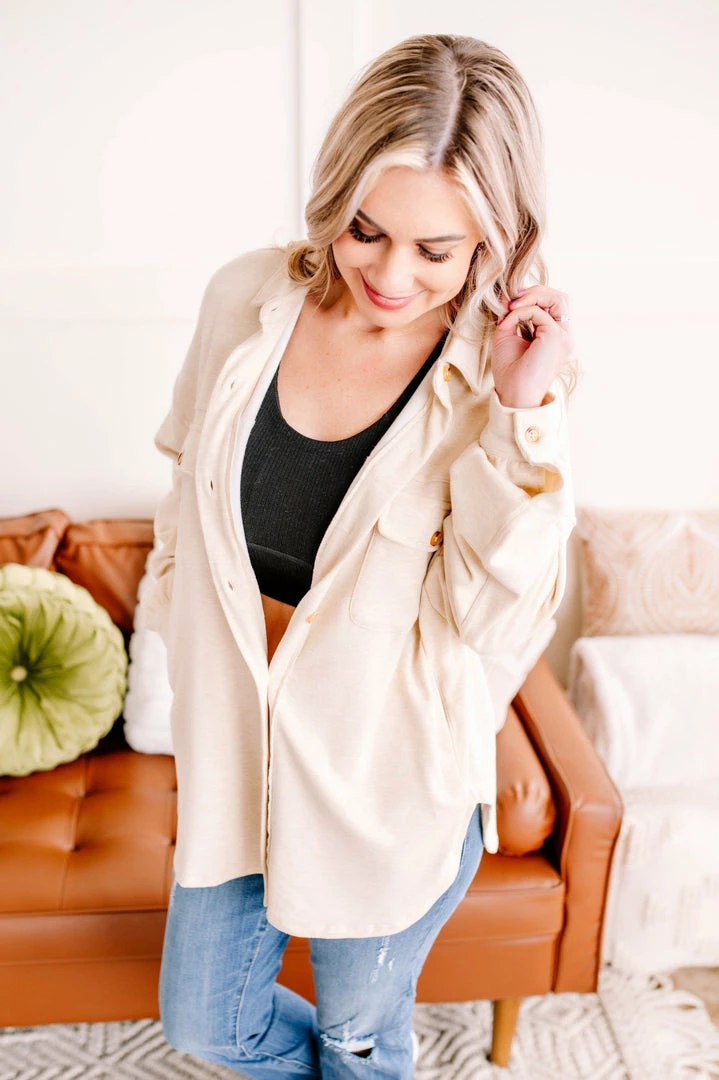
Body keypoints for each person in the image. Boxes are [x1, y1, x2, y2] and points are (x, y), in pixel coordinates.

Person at [143, 32, 576, 1079]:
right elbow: (183, 478)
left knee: (358, 1043)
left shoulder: (498, 384)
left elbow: (493, 616)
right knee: (205, 1024)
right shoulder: (244, 301)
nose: (389, 274)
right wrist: (169, 631)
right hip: (235, 758)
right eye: (366, 230)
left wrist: (520, 415)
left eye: (435, 250)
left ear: (495, 239)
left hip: (390, 786)